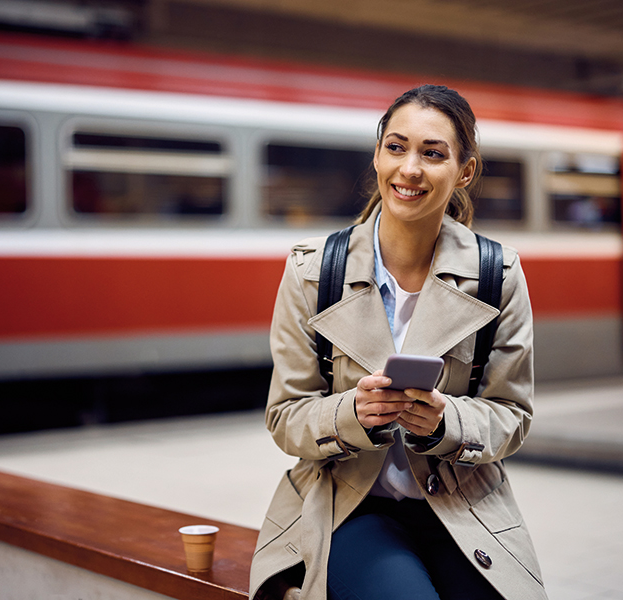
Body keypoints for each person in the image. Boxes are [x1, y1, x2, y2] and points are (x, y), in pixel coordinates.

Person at [249, 85, 546, 600]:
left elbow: (511, 415)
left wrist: (444, 422)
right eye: (396, 146)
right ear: (378, 154)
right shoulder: (315, 272)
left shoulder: (500, 274)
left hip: (462, 502)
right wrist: (354, 414)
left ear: (465, 172)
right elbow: (285, 417)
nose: (410, 168)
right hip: (349, 504)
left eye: (433, 154)